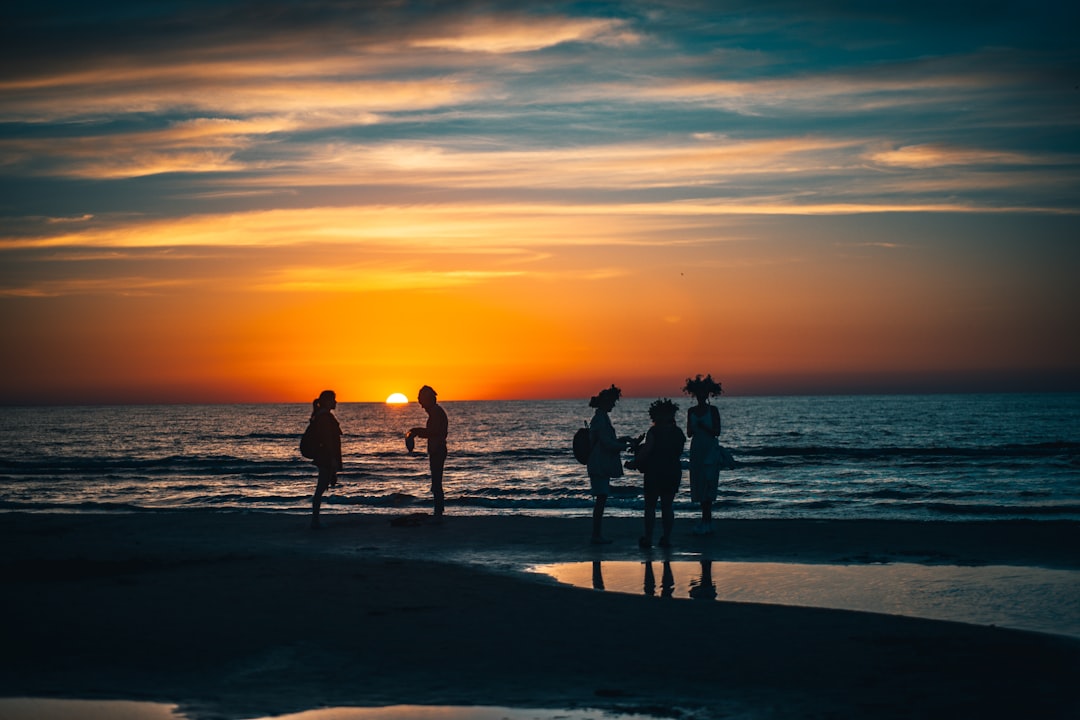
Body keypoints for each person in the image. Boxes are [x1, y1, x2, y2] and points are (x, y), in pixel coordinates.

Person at [635, 398, 686, 549]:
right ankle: (667, 538)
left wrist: (635, 462)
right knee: (667, 506)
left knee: (650, 505)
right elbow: (679, 451)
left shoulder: (654, 432)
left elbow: (647, 450)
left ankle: (649, 538)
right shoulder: (678, 433)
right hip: (673, 470)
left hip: (654, 471)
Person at [586, 384, 630, 544]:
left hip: (600, 463)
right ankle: (596, 536)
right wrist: (625, 446)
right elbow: (606, 443)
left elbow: (607, 441)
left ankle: (597, 535)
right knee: (601, 499)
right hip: (599, 464)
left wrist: (623, 441)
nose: (613, 404)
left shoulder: (602, 417)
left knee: (601, 499)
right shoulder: (600, 419)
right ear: (606, 402)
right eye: (612, 402)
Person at [683, 374, 724, 534]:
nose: (701, 397)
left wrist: (704, 427)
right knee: (699, 483)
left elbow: (717, 431)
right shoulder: (691, 411)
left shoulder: (713, 410)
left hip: (709, 448)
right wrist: (694, 428)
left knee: (709, 482)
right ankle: (704, 520)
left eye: (703, 394)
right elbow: (688, 433)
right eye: (698, 394)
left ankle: (708, 520)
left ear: (707, 395)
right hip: (697, 448)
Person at [406, 385, 448, 519]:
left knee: (436, 482)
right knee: (436, 481)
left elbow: (433, 432)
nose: (421, 406)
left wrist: (416, 431)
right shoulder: (435, 411)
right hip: (437, 450)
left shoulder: (436, 412)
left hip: (438, 450)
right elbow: (432, 433)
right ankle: (438, 510)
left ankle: (438, 511)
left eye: (422, 401)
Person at [308, 390, 342, 529]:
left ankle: (315, 520)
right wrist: (333, 459)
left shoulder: (324, 416)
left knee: (322, 487)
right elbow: (328, 440)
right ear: (327, 401)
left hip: (325, 457)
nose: (336, 402)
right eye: (333, 399)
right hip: (325, 457)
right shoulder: (324, 418)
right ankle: (315, 522)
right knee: (320, 489)